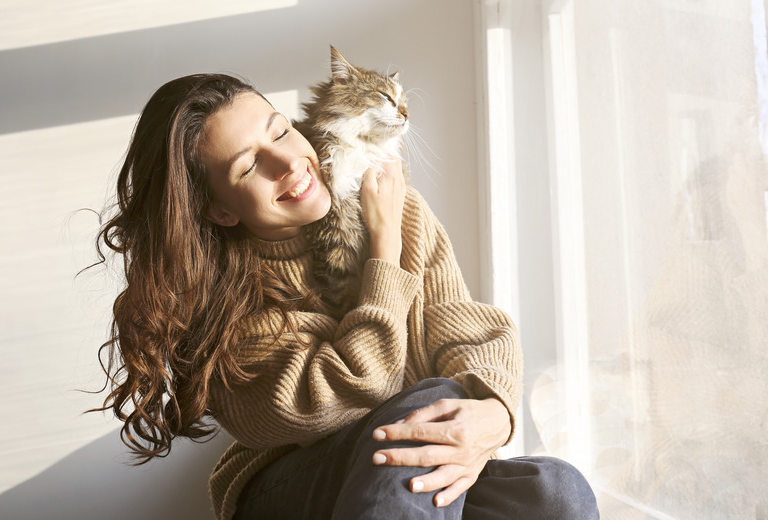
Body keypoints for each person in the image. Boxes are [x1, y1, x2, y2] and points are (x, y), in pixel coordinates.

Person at [93, 72, 599, 520]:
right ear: (221, 210)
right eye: (249, 166)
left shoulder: (398, 209)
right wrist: (384, 254)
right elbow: (356, 391)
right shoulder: (225, 299)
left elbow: (467, 326)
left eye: (281, 130)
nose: (289, 162)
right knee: (429, 402)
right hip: (284, 489)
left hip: (404, 472)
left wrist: (495, 409)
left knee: (555, 492)